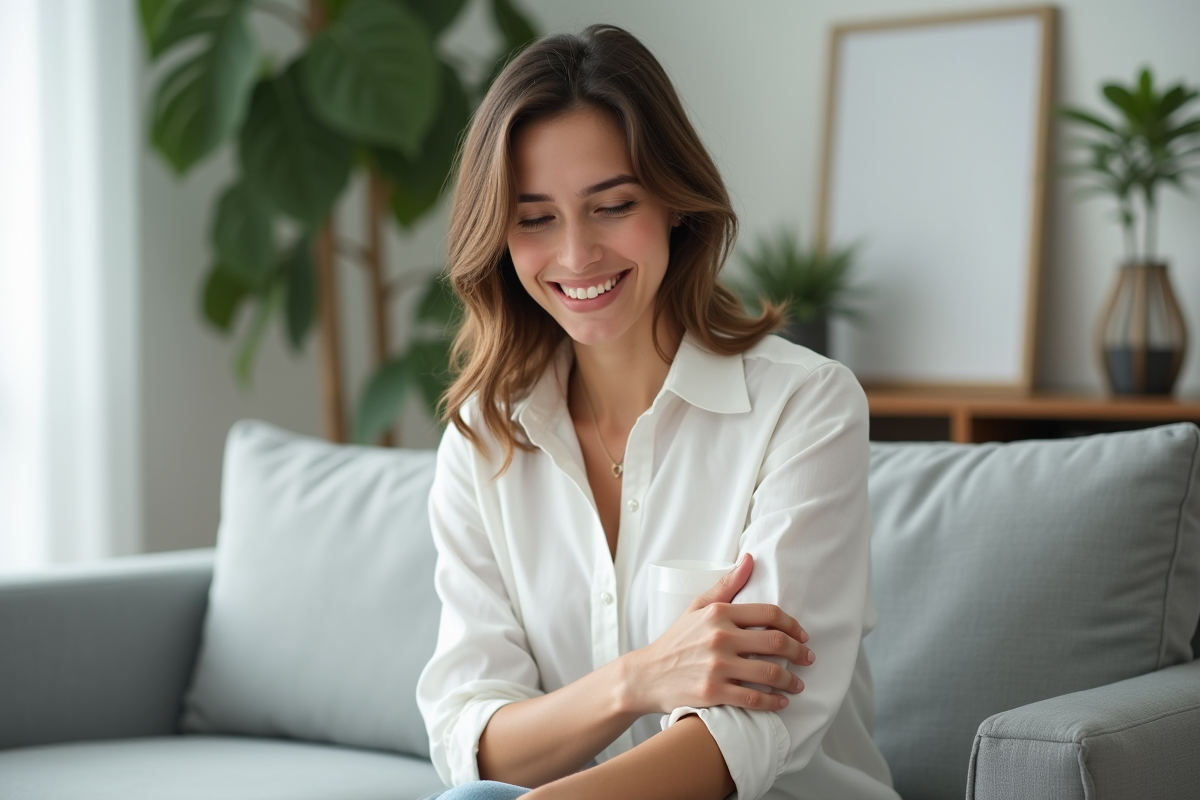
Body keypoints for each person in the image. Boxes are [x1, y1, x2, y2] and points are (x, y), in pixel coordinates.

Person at [415, 24, 898, 800]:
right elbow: (473, 739)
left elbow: (748, 733)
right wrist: (640, 679)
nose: (577, 257)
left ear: (674, 203)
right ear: (499, 238)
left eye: (612, 206)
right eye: (535, 218)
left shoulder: (805, 405)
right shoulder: (484, 435)